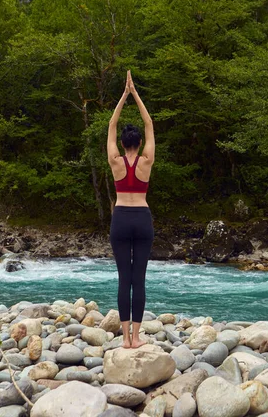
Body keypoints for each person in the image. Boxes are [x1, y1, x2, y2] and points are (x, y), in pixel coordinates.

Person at [107, 70, 155, 349]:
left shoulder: (115, 161)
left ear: (123, 144)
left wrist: (123, 95)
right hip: (142, 218)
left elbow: (112, 124)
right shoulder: (147, 161)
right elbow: (149, 122)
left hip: (121, 218)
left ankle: (124, 339)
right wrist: (136, 93)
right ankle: (137, 337)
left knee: (124, 279)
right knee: (140, 278)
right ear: (139, 144)